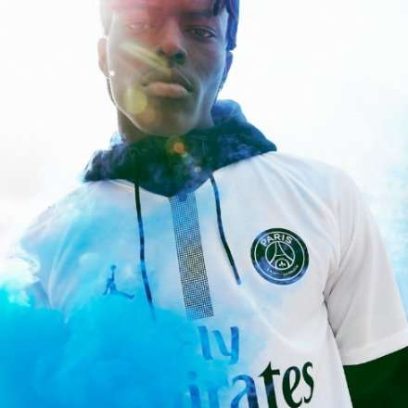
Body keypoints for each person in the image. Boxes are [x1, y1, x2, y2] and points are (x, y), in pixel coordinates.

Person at [7, 0, 408, 406]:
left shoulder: (321, 195)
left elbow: (382, 380)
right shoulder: (46, 248)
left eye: (201, 31)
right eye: (140, 24)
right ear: (103, 54)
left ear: (226, 65)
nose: (169, 45)